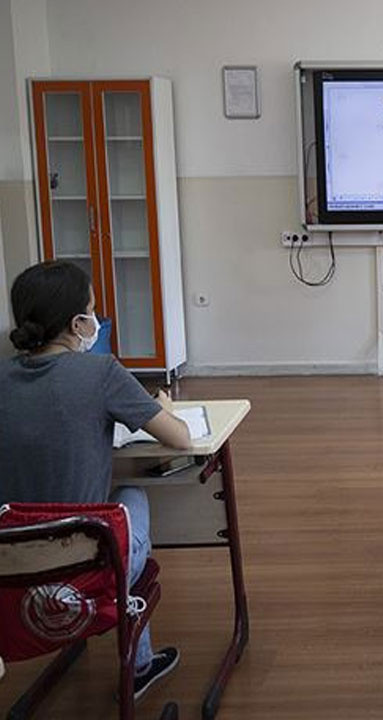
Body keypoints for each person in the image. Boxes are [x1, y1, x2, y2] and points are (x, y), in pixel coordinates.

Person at [0, 260, 191, 699]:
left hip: (11, 567)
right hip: (89, 569)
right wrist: (162, 404)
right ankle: (138, 666)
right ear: (76, 323)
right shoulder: (100, 372)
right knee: (130, 494)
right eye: (92, 310)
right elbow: (178, 438)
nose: (96, 319)